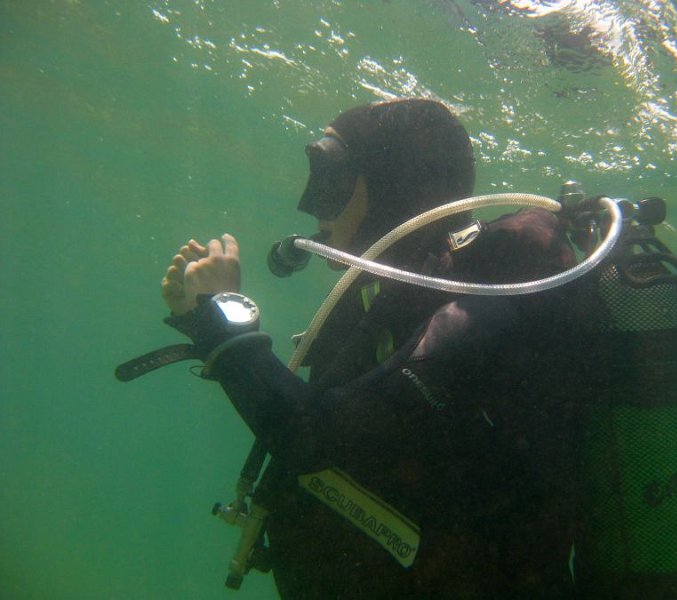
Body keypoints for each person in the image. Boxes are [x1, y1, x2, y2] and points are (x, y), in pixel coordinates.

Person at [160, 98, 581, 598]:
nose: (311, 204)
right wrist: (199, 317)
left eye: (331, 178)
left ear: (394, 186)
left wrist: (219, 322)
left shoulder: (479, 310)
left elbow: (314, 435)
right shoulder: (390, 298)